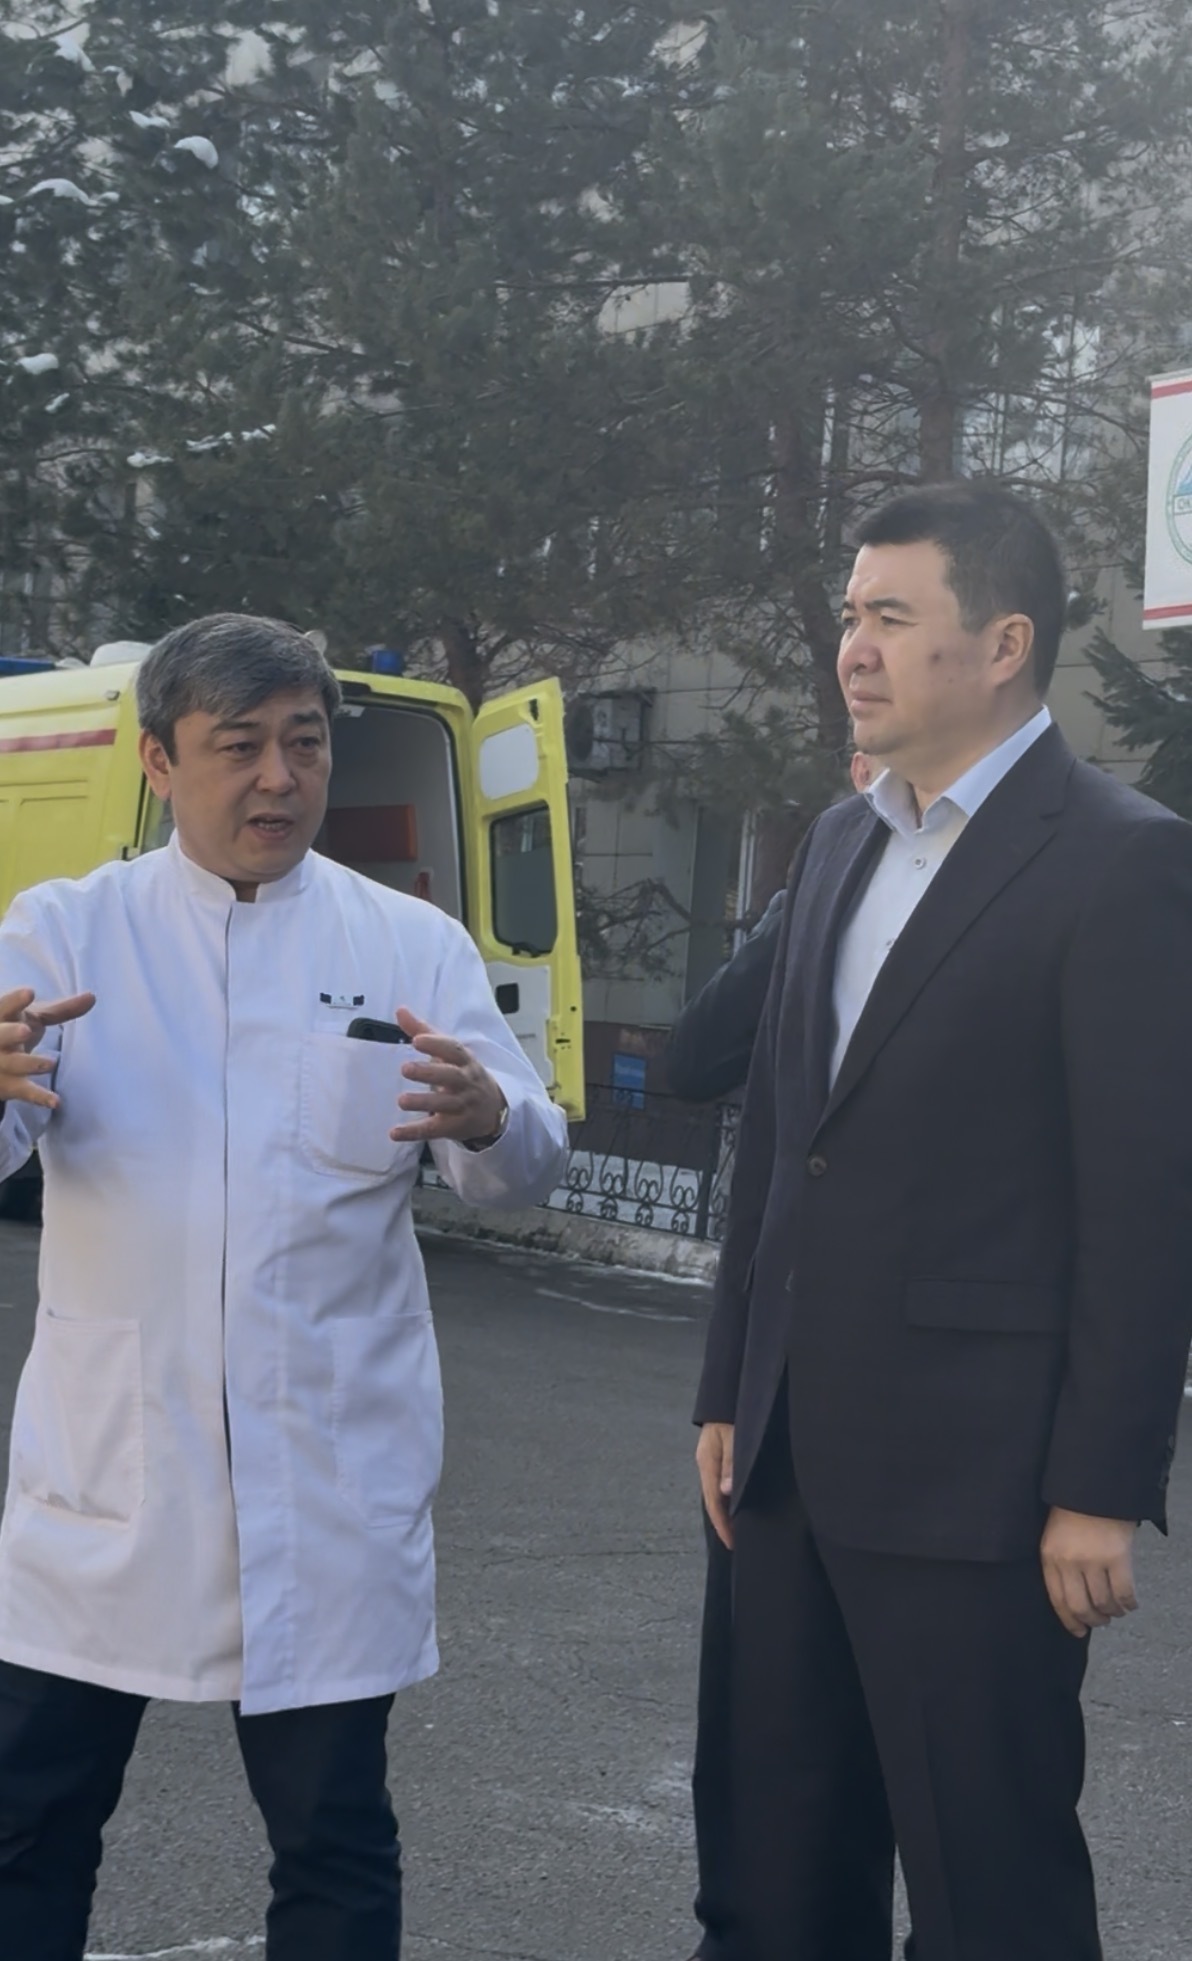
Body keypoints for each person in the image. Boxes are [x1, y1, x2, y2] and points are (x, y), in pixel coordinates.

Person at [0, 613, 569, 1961]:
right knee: (30, 1822)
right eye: (239, 745)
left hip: (326, 1484)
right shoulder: (66, 934)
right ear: (159, 760)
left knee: (335, 1840)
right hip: (110, 1483)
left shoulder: (408, 942)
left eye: (304, 744)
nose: (278, 777)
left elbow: (527, 1160)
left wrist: (491, 1113)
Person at [695, 483, 1192, 1961]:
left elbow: (1145, 1203)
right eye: (853, 614)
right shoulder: (838, 843)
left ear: (1004, 643)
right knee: (773, 1883)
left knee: (990, 1899)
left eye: (892, 616)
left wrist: (1100, 1485)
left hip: (981, 1493)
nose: (853, 645)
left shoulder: (1122, 860)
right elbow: (777, 1143)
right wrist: (727, 1390)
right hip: (784, 1465)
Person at [666, 753, 872, 1961]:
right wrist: (805, 907)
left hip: (950, 1410)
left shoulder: (1084, 867)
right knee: (761, 1737)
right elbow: (695, 1057)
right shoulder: (828, 877)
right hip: (771, 1394)